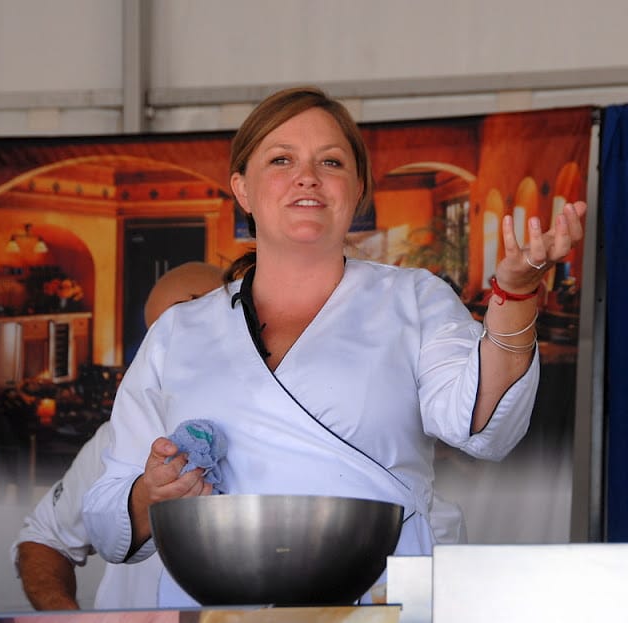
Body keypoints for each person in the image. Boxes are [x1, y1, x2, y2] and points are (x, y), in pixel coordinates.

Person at [82, 86, 586, 607]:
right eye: (281, 159)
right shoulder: (177, 333)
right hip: (220, 605)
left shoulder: (414, 299)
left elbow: (482, 426)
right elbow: (104, 514)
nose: (308, 176)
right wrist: (152, 494)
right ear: (243, 190)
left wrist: (517, 294)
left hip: (378, 599)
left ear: (358, 189)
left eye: (331, 161)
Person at [12, 261, 223, 610]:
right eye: (157, 335)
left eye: (185, 325)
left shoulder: (292, 437)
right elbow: (43, 539)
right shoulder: (113, 440)